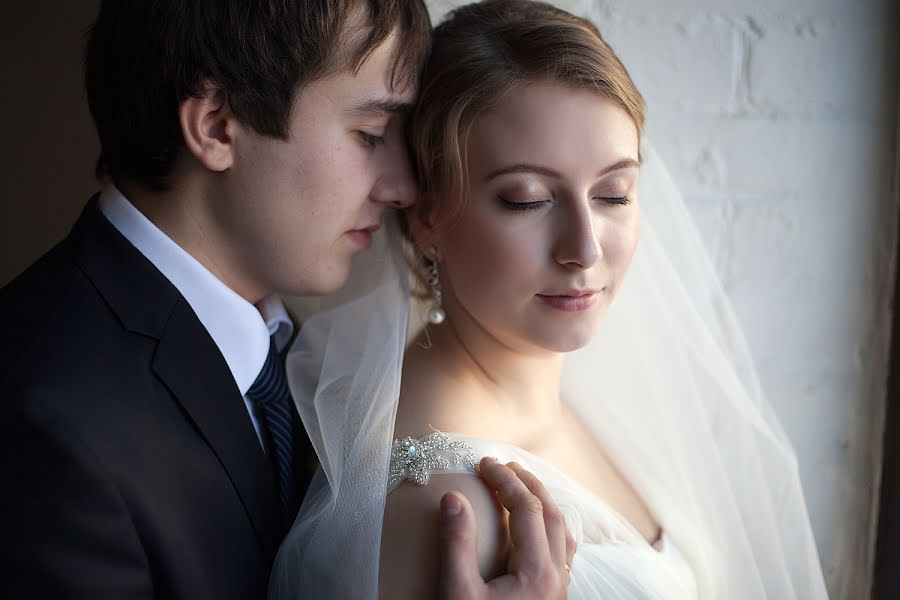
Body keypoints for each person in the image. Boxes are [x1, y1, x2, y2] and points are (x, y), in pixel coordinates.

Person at [0, 1, 572, 598]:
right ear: (218, 124)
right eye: (371, 134)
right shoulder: (42, 422)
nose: (404, 187)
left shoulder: (289, 347)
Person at [271, 0, 830, 598]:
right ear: (428, 214)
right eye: (528, 200)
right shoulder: (444, 509)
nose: (584, 249)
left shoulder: (603, 399)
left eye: (614, 194)